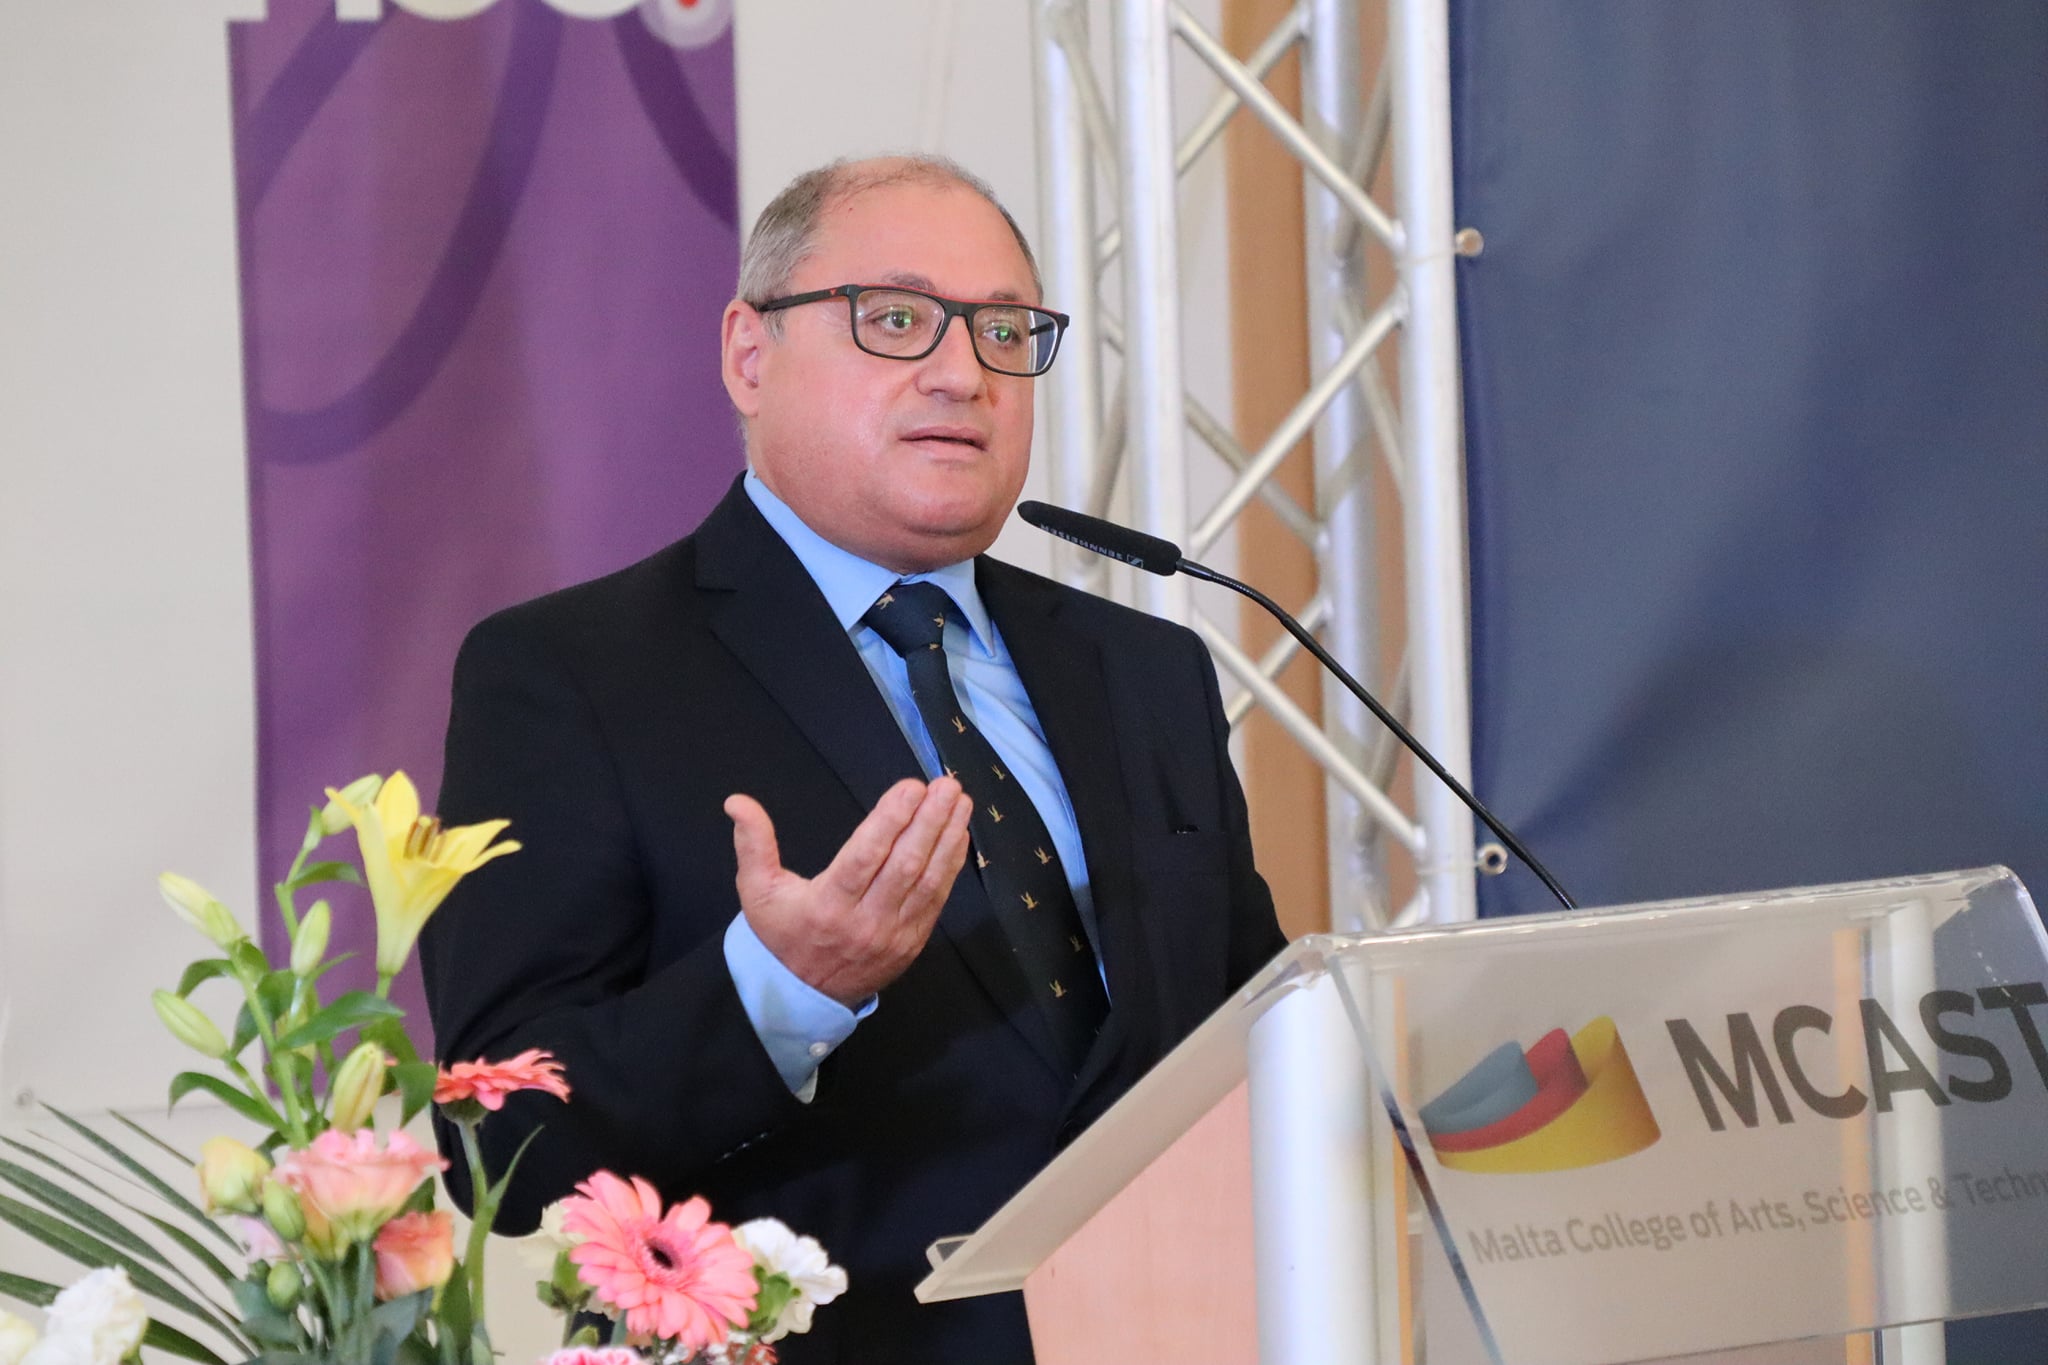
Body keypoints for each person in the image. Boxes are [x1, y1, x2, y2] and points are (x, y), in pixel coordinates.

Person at [421, 155, 1285, 1364]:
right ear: (748, 354)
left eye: (1002, 331)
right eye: (893, 318)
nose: (961, 373)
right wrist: (782, 988)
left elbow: (1254, 1040)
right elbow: (504, 1141)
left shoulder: (1144, 670)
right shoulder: (573, 673)